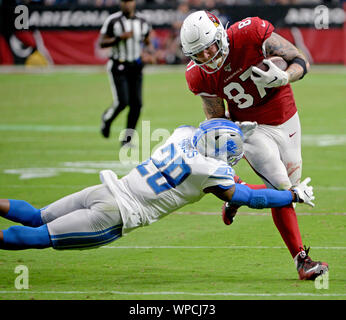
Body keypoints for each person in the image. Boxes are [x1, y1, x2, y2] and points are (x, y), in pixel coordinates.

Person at [0, 119, 322, 280]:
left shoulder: (182, 135)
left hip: (107, 189)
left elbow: (205, 130)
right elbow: (250, 197)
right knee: (40, 237)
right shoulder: (209, 171)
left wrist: (232, 127)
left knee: (38, 216)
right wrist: (290, 193)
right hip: (118, 214)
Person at [180, 11, 328, 280]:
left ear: (220, 35)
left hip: (287, 117)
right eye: (198, 54)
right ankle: (302, 261)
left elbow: (300, 61)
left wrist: (284, 78)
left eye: (209, 48)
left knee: (287, 191)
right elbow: (216, 118)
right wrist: (229, 136)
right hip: (252, 130)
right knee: (284, 189)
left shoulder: (250, 33)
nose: (206, 58)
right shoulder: (199, 76)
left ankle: (237, 195)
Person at [98, 0, 154, 147]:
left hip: (136, 66)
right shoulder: (113, 21)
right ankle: (107, 119)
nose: (127, 5)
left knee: (137, 105)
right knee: (122, 102)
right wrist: (119, 38)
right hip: (118, 65)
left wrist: (149, 53)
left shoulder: (142, 21)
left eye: (129, 1)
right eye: (124, 1)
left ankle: (127, 140)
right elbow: (101, 43)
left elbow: (147, 40)